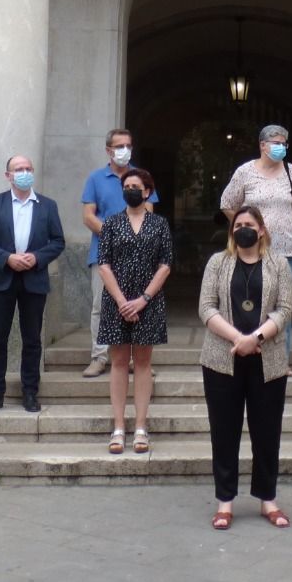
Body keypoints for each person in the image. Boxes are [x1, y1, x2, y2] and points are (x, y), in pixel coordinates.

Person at [199, 207, 292, 529]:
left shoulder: (278, 264)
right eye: (238, 225)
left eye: (249, 225)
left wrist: (257, 338)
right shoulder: (218, 262)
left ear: (262, 230)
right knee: (223, 432)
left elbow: (285, 309)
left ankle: (268, 499)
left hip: (268, 361)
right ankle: (225, 502)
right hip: (222, 359)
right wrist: (239, 339)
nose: (243, 229)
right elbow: (206, 307)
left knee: (267, 433)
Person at [0, 154, 66, 414]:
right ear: (8, 175)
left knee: (32, 339)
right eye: (18, 169)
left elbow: (58, 242)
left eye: (27, 168)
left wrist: (37, 258)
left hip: (34, 280)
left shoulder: (47, 205)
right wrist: (7, 258)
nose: (24, 172)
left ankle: (30, 392)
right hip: (1, 280)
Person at [97, 167, 173, 455]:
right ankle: (118, 427)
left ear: (147, 191)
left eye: (135, 185)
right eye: (126, 185)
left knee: (142, 363)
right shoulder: (112, 223)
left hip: (148, 301)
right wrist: (121, 301)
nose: (130, 189)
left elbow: (165, 264)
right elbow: (103, 263)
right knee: (118, 362)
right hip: (116, 301)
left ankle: (141, 426)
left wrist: (143, 299)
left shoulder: (160, 224)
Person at [220, 124, 292, 367]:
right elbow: (227, 203)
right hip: (253, 250)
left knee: (283, 307)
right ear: (262, 145)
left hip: (288, 250)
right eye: (276, 142)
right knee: (254, 302)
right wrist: (246, 229)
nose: (281, 147)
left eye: (284, 143)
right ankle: (250, 351)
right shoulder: (245, 172)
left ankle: (280, 359)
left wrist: (283, 227)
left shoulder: (291, 172)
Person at [80, 129, 158, 378]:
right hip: (104, 253)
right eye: (119, 145)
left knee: (138, 304)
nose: (124, 149)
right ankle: (99, 357)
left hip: (139, 255)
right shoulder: (95, 179)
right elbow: (88, 216)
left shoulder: (141, 177)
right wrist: (115, 235)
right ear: (108, 150)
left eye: (128, 145)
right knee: (101, 306)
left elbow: (150, 211)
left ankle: (138, 358)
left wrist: (131, 237)